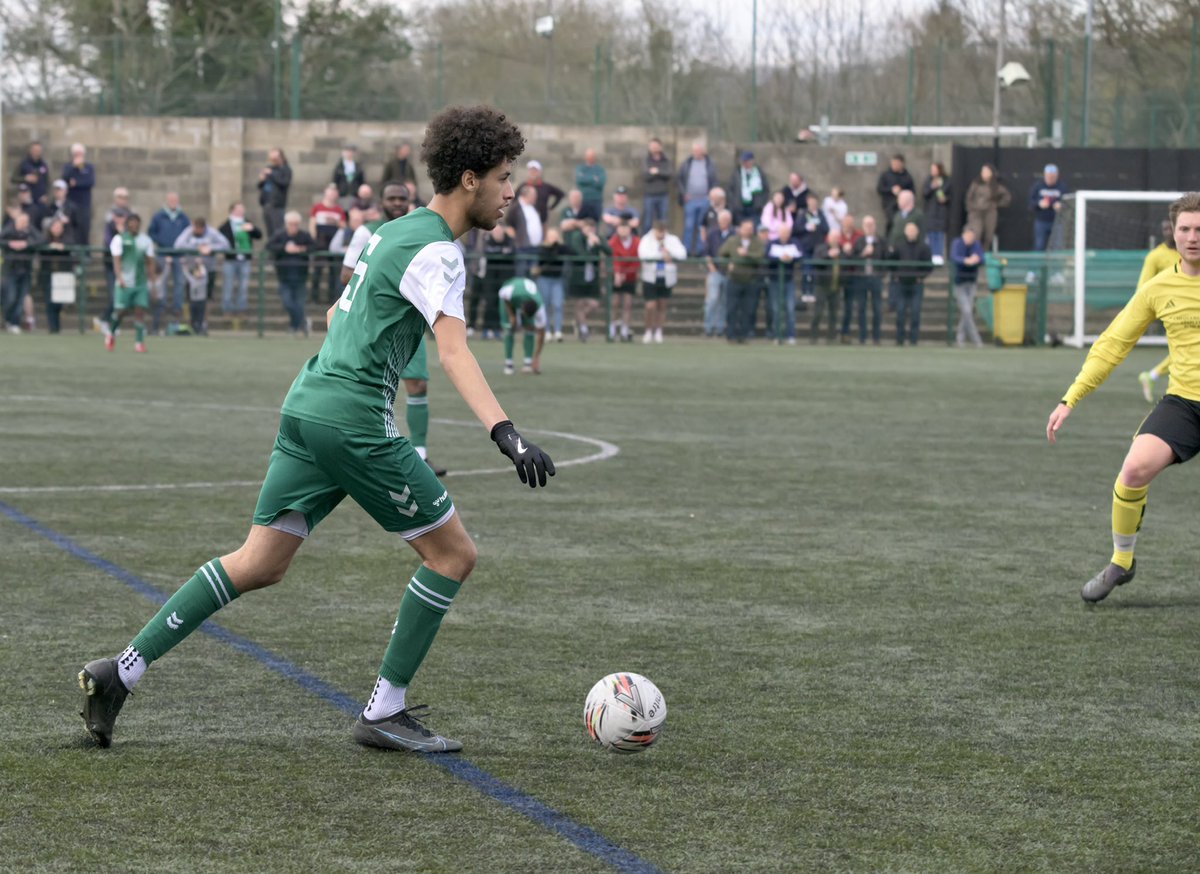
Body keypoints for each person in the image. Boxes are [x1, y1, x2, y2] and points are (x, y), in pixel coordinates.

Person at [78, 105, 555, 755]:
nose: (511, 193)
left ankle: (120, 672)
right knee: (454, 555)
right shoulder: (440, 252)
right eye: (504, 178)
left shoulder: (392, 233)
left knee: (259, 562)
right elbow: (453, 351)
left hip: (306, 406)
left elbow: (337, 311)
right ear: (469, 179)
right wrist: (506, 432)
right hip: (352, 420)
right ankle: (384, 711)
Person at [1045, 193, 1200, 603]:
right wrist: (1070, 398)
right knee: (1133, 470)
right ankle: (1122, 562)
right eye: (1185, 229)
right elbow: (1113, 344)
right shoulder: (1158, 287)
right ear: (1173, 234)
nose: (1193, 237)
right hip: (1185, 403)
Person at [339, 182, 446, 476]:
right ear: (381, 201)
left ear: (410, 201)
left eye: (402, 198)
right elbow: (347, 273)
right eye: (392, 198)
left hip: (408, 323)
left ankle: (421, 454)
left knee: (418, 384)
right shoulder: (367, 230)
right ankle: (362, 450)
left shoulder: (419, 231)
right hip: (373, 324)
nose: (397, 202)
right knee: (368, 385)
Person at [1136, 219, 1181, 402]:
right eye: (1165, 229)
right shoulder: (1155, 256)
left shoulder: (1189, 252)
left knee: (1185, 350)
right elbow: (1143, 287)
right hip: (1171, 309)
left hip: (1191, 306)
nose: (1168, 232)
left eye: (1172, 228)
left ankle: (1151, 376)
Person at [105, 212, 156, 353]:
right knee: (121, 311)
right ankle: (111, 332)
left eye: (136, 223)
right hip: (125, 283)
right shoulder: (119, 239)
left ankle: (139, 342)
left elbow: (150, 263)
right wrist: (119, 278)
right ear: (127, 224)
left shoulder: (145, 241)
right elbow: (116, 261)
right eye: (131, 222)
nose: (134, 225)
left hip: (140, 283)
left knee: (140, 311)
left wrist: (153, 283)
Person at [173, 216, 230, 336]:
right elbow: (177, 245)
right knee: (192, 298)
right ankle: (193, 323)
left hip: (208, 269)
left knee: (207, 298)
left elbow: (226, 245)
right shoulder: (188, 231)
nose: (197, 231)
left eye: (200, 229)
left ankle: (204, 323)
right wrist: (197, 248)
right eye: (196, 228)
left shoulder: (212, 232)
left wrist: (211, 248)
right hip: (192, 270)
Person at [147, 192, 191, 335]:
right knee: (162, 283)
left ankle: (177, 308)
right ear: (167, 201)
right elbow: (151, 232)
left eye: (175, 200)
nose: (173, 202)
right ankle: (162, 307)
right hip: (163, 254)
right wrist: (161, 242)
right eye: (171, 200)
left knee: (179, 282)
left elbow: (188, 234)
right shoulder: (159, 216)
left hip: (178, 255)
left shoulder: (183, 217)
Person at [637, 219, 686, 344]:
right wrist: (661, 255)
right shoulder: (646, 240)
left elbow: (682, 254)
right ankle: (648, 330)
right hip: (650, 276)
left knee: (662, 305)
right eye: (658, 231)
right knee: (650, 306)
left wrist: (669, 253)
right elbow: (643, 255)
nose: (660, 235)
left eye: (662, 231)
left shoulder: (672, 240)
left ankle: (658, 331)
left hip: (666, 276)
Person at [719, 217, 765, 344]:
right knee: (731, 308)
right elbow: (721, 254)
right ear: (740, 229)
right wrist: (727, 265)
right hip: (734, 279)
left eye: (750, 229)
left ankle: (744, 335)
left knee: (748, 310)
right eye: (746, 228)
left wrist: (747, 254)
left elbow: (760, 256)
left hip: (751, 280)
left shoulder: (757, 242)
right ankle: (731, 335)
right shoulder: (732, 241)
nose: (748, 231)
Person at [268, 211, 314, 337]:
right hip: (284, 276)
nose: (293, 227)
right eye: (291, 224)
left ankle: (294, 326)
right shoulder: (280, 235)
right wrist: (284, 248)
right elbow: (270, 246)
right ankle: (302, 323)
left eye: (296, 224)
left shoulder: (304, 236)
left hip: (300, 276)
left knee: (299, 303)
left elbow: (313, 247)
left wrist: (301, 249)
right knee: (288, 302)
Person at [888, 221, 934, 345]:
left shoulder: (924, 247)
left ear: (917, 232)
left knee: (915, 312)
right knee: (901, 311)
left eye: (913, 230)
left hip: (916, 284)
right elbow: (891, 262)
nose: (911, 232)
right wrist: (895, 275)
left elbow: (929, 266)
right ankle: (900, 339)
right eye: (909, 230)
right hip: (901, 284)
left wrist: (921, 277)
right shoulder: (899, 246)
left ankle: (914, 340)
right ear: (905, 232)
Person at [565, 217, 610, 341]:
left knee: (595, 304)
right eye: (586, 228)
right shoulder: (577, 237)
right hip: (578, 276)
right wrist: (591, 249)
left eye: (591, 228)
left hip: (592, 277)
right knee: (579, 303)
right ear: (582, 228)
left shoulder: (598, 238)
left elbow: (609, 251)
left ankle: (579, 321)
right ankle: (584, 330)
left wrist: (598, 244)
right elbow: (581, 254)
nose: (589, 231)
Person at [218, 202, 263, 326]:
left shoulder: (247, 223)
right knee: (228, 285)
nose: (241, 212)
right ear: (232, 210)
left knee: (243, 286)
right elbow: (220, 237)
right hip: (230, 260)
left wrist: (252, 228)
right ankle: (227, 310)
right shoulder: (226, 225)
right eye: (239, 209)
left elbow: (259, 235)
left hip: (245, 260)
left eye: (242, 209)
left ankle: (241, 309)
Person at [1, 211, 44, 333]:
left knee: (21, 298)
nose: (24, 224)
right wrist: (10, 244)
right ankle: (8, 320)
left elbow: (42, 239)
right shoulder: (9, 230)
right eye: (22, 221)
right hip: (10, 270)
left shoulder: (30, 231)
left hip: (26, 270)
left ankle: (14, 322)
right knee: (11, 297)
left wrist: (26, 244)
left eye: (26, 221)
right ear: (16, 221)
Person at [499, 275, 547, 375]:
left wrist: (537, 356)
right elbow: (502, 295)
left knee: (530, 329)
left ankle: (528, 363)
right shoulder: (511, 293)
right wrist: (512, 315)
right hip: (509, 297)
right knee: (510, 328)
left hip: (524, 299)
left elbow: (542, 334)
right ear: (522, 306)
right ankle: (509, 364)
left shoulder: (540, 308)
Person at [476, 222, 516, 341]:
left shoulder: (509, 240)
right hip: (490, 277)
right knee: (490, 302)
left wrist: (501, 252)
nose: (498, 233)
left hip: (504, 277)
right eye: (495, 231)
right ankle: (486, 328)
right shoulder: (488, 240)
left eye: (500, 231)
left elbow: (512, 252)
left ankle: (498, 329)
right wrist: (501, 252)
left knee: (501, 303)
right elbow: (488, 252)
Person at [309, 184, 348, 303]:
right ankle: (314, 297)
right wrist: (314, 239)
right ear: (325, 193)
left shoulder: (339, 210)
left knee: (334, 271)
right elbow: (312, 224)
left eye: (334, 192)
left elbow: (344, 226)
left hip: (334, 242)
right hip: (321, 241)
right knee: (317, 270)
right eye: (330, 191)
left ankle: (332, 298)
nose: (332, 194)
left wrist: (335, 221)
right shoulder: (317, 207)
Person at [677, 141, 718, 255]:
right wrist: (684, 193)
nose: (696, 153)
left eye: (698, 151)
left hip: (705, 200)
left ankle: (701, 250)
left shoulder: (710, 164)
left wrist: (711, 196)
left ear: (703, 151)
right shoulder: (687, 163)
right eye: (694, 151)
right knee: (689, 226)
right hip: (690, 200)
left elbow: (714, 180)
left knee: (702, 226)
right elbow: (680, 179)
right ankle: (686, 250)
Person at [850, 215, 886, 345]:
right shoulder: (859, 242)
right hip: (861, 278)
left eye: (871, 225)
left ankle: (876, 337)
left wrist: (881, 273)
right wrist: (863, 254)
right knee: (861, 307)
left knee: (877, 308)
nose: (870, 227)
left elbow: (885, 258)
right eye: (867, 225)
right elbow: (853, 259)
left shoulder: (881, 242)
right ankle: (862, 337)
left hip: (876, 278)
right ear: (863, 227)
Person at [949, 226, 986, 347]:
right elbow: (954, 257)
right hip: (959, 283)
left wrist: (977, 259)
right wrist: (966, 260)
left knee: (967, 312)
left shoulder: (976, 244)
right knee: (967, 311)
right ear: (964, 235)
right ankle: (977, 340)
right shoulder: (957, 243)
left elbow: (982, 258)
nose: (970, 238)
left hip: (971, 282)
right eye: (968, 236)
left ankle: (960, 339)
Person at [534, 226, 571, 342]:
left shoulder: (561, 248)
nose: (552, 239)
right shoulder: (542, 248)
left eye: (555, 236)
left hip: (557, 279)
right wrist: (554, 248)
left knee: (558, 304)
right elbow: (547, 259)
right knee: (545, 305)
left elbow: (571, 252)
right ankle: (546, 331)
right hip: (544, 279)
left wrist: (558, 246)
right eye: (550, 236)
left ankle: (558, 331)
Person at [38, 218, 75, 334]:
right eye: (55, 227)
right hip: (48, 273)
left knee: (59, 302)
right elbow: (39, 245)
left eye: (59, 227)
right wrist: (52, 246)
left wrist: (61, 246)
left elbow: (71, 245)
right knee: (50, 301)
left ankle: (57, 326)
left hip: (62, 274)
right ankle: (53, 327)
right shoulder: (45, 239)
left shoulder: (67, 238)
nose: (57, 229)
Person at [767, 224, 801, 344]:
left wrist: (790, 258)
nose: (785, 235)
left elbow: (800, 255)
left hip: (789, 280)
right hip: (775, 280)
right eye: (782, 232)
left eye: (787, 232)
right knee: (776, 309)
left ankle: (791, 335)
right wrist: (779, 259)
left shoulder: (794, 242)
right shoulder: (772, 243)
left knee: (790, 308)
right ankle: (777, 335)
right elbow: (768, 257)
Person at [965, 163, 1011, 251]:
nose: (984, 173)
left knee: (988, 235)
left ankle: (984, 253)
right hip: (976, 212)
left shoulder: (996, 186)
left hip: (990, 212)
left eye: (986, 171)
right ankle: (974, 253)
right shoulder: (976, 184)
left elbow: (1007, 196)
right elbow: (968, 197)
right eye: (983, 171)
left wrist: (997, 204)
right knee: (976, 233)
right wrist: (971, 208)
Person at [704, 208, 735, 338]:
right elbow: (706, 252)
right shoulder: (712, 234)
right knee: (712, 299)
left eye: (726, 220)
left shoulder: (734, 235)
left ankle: (720, 327)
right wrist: (710, 265)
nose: (724, 222)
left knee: (724, 301)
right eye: (722, 219)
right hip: (715, 271)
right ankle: (708, 327)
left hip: (728, 272)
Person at [810, 229, 844, 344]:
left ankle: (831, 337)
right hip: (822, 286)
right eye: (833, 237)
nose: (835, 239)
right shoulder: (821, 248)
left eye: (837, 237)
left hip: (836, 286)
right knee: (818, 312)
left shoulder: (842, 249)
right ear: (829, 238)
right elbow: (816, 262)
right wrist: (828, 255)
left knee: (833, 314)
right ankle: (813, 336)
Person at [608, 219, 640, 342]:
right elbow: (614, 258)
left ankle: (625, 330)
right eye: (621, 228)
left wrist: (625, 274)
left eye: (625, 228)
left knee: (628, 304)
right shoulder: (613, 242)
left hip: (630, 276)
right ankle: (612, 329)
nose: (623, 231)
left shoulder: (637, 242)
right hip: (616, 276)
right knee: (614, 303)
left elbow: (636, 259)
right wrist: (617, 273)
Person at [61, 143, 96, 245]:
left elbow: (90, 182)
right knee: (70, 229)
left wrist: (76, 183)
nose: (78, 156)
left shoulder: (89, 167)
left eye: (80, 153)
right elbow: (65, 180)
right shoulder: (68, 167)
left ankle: (85, 256)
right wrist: (73, 167)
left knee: (84, 229)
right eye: (76, 153)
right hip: (70, 203)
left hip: (84, 204)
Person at [1029, 163, 1068, 251]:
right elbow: (1031, 203)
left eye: (1053, 176)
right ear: (1045, 175)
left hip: (1058, 221)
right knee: (1039, 245)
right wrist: (1039, 204)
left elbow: (1068, 204)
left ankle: (1056, 264)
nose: (1050, 179)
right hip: (1041, 221)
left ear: (1057, 176)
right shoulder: (1038, 186)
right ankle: (1039, 264)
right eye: (1048, 176)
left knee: (1058, 246)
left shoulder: (1062, 187)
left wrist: (1061, 206)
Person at [876, 153, 914, 237]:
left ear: (902, 164)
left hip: (903, 207)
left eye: (896, 164)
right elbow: (880, 189)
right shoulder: (886, 175)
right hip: (889, 205)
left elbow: (912, 192)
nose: (894, 166)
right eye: (893, 163)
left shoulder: (907, 177)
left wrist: (902, 192)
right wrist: (891, 190)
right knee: (892, 222)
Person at [257, 147, 292, 240]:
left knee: (278, 231)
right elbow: (260, 186)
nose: (273, 160)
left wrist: (271, 174)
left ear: (281, 157)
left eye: (275, 158)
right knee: (270, 232)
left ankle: (276, 252)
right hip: (266, 203)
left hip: (277, 205)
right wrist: (262, 179)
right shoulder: (270, 168)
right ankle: (271, 252)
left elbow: (284, 183)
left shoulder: (285, 169)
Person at [922, 162, 952, 264]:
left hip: (941, 213)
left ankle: (938, 256)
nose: (933, 171)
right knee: (930, 234)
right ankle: (931, 255)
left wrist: (945, 198)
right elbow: (925, 193)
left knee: (939, 235)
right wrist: (932, 187)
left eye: (934, 169)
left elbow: (950, 195)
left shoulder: (947, 180)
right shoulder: (929, 180)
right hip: (930, 212)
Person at [518, 159, 564, 224]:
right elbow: (515, 200)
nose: (533, 172)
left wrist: (551, 207)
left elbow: (561, 194)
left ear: (540, 172)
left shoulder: (546, 187)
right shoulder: (523, 186)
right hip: (525, 221)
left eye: (535, 170)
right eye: (531, 170)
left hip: (542, 221)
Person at [731, 151, 769, 224]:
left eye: (747, 161)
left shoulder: (759, 172)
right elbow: (731, 189)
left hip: (755, 207)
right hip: (740, 207)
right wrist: (734, 203)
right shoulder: (737, 173)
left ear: (752, 161)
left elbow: (766, 189)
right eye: (743, 161)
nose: (745, 163)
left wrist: (761, 202)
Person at [642, 137, 672, 227]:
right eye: (652, 146)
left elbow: (669, 174)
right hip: (649, 195)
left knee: (663, 221)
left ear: (660, 147)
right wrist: (657, 173)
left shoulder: (666, 160)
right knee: (648, 221)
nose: (654, 148)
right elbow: (645, 176)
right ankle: (646, 240)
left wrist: (657, 171)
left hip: (663, 195)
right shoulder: (646, 160)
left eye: (656, 146)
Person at [574, 148, 606, 221]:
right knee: (580, 222)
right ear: (585, 157)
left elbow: (601, 183)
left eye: (592, 156)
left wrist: (586, 179)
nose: (590, 158)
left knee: (595, 223)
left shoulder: (600, 169)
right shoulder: (580, 168)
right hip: (583, 201)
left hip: (596, 201)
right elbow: (580, 180)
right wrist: (593, 179)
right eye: (588, 156)